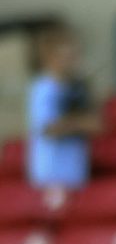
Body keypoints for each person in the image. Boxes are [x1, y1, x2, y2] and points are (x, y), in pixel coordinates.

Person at [26, 26, 102, 189]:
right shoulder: (44, 88)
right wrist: (80, 123)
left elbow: (98, 124)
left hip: (75, 174)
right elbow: (50, 129)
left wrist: (89, 90)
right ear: (50, 57)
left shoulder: (78, 87)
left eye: (74, 55)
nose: (72, 61)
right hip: (50, 175)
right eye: (66, 56)